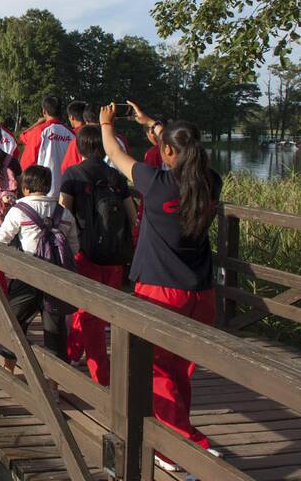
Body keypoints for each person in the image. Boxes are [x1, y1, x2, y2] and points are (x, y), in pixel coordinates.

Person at [99, 102, 222, 472]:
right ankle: (179, 432)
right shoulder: (211, 181)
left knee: (154, 368)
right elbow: (177, 147)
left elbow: (114, 152)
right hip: (201, 291)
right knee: (180, 369)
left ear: (167, 151)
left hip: (161, 290)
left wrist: (107, 122)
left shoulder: (156, 183)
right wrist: (151, 124)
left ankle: (180, 447)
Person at [59, 124, 137, 387]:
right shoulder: (115, 176)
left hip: (86, 253)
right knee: (101, 312)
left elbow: (63, 215)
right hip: (114, 255)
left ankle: (102, 377)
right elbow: (132, 215)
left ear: (79, 146)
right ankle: (71, 354)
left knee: (88, 313)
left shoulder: (73, 175)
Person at [0, 165, 77, 363]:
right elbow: (74, 247)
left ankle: (10, 369)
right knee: (55, 333)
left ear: (25, 187)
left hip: (26, 276)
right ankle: (54, 385)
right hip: (55, 279)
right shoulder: (64, 213)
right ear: (47, 186)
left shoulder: (19, 210)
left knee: (13, 323)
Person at [19, 96, 74, 197]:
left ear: (44, 112)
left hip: (42, 189)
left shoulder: (40, 131)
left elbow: (27, 162)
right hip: (67, 191)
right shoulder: (71, 133)